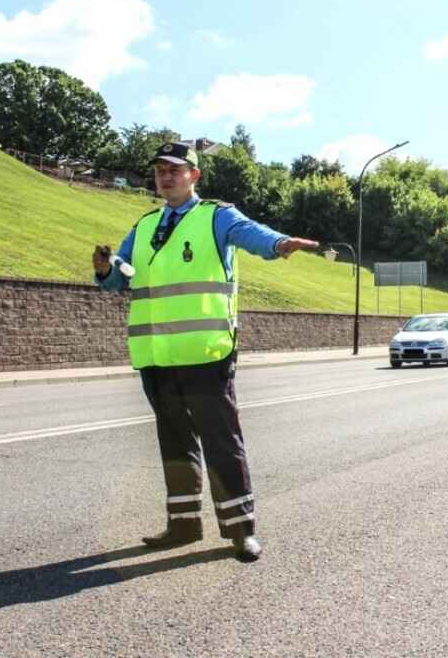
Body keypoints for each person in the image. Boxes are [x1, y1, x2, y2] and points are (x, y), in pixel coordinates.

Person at [93, 141, 318, 562]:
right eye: (160, 169)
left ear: (194, 175)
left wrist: (281, 243)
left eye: (175, 169)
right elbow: (119, 280)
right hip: (156, 356)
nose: (166, 175)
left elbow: (255, 236)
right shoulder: (143, 226)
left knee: (221, 441)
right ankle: (183, 526)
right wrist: (105, 270)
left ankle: (241, 531)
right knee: (174, 442)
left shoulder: (216, 216)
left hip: (206, 352)